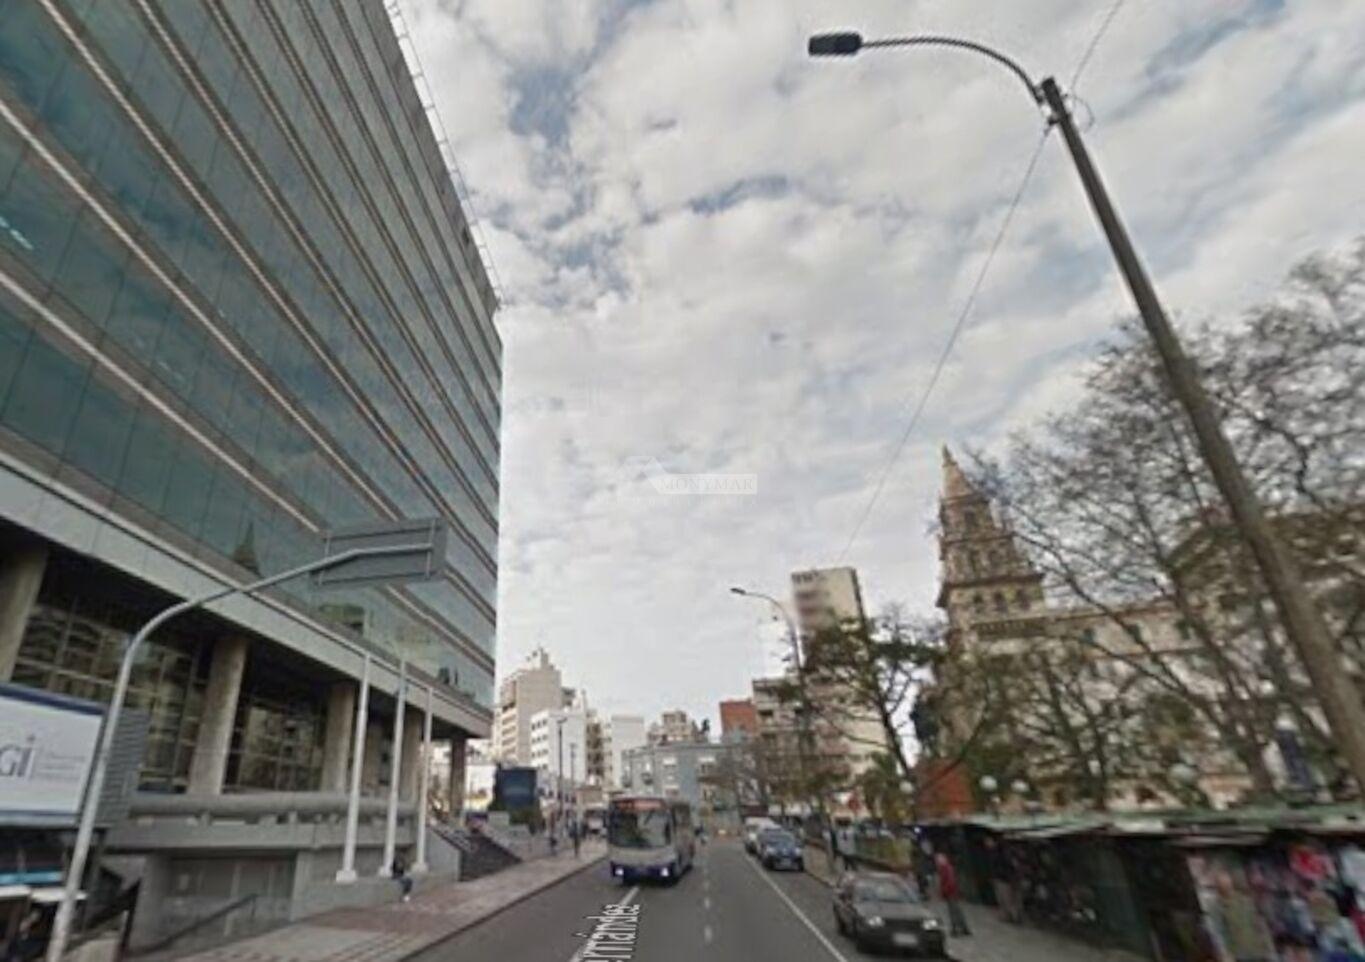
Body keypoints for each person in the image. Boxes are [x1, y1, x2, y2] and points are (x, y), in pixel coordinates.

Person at [936, 851, 971, 937]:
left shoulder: (947, 868)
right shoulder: (944, 868)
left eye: (940, 859)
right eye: (937, 859)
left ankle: (956, 929)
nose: (938, 861)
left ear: (945, 859)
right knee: (956, 910)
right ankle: (963, 928)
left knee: (954, 911)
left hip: (951, 892)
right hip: (951, 892)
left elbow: (950, 881)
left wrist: (945, 890)